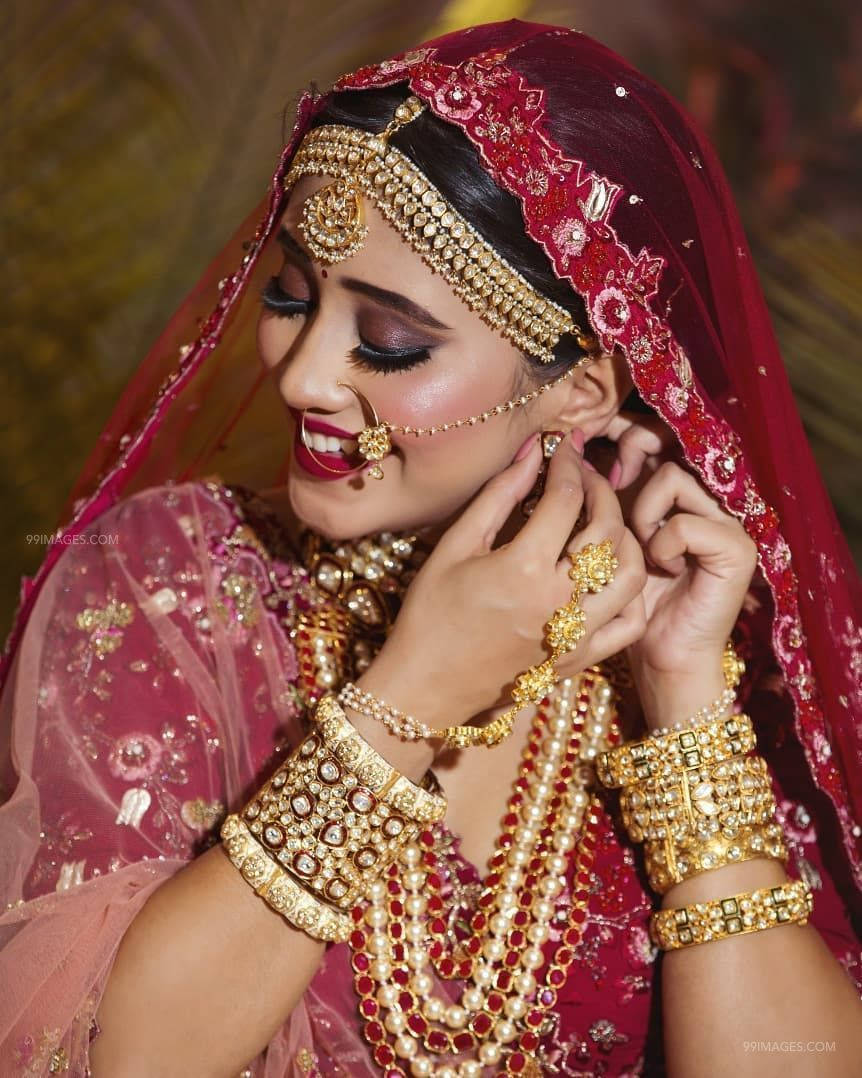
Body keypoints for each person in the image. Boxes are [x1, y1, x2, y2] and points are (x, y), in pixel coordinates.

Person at [1, 18, 860, 1077]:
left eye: (391, 342)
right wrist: (415, 687)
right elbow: (100, 1056)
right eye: (289, 295)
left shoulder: (726, 661)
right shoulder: (168, 579)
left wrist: (685, 705)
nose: (305, 374)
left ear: (580, 387)